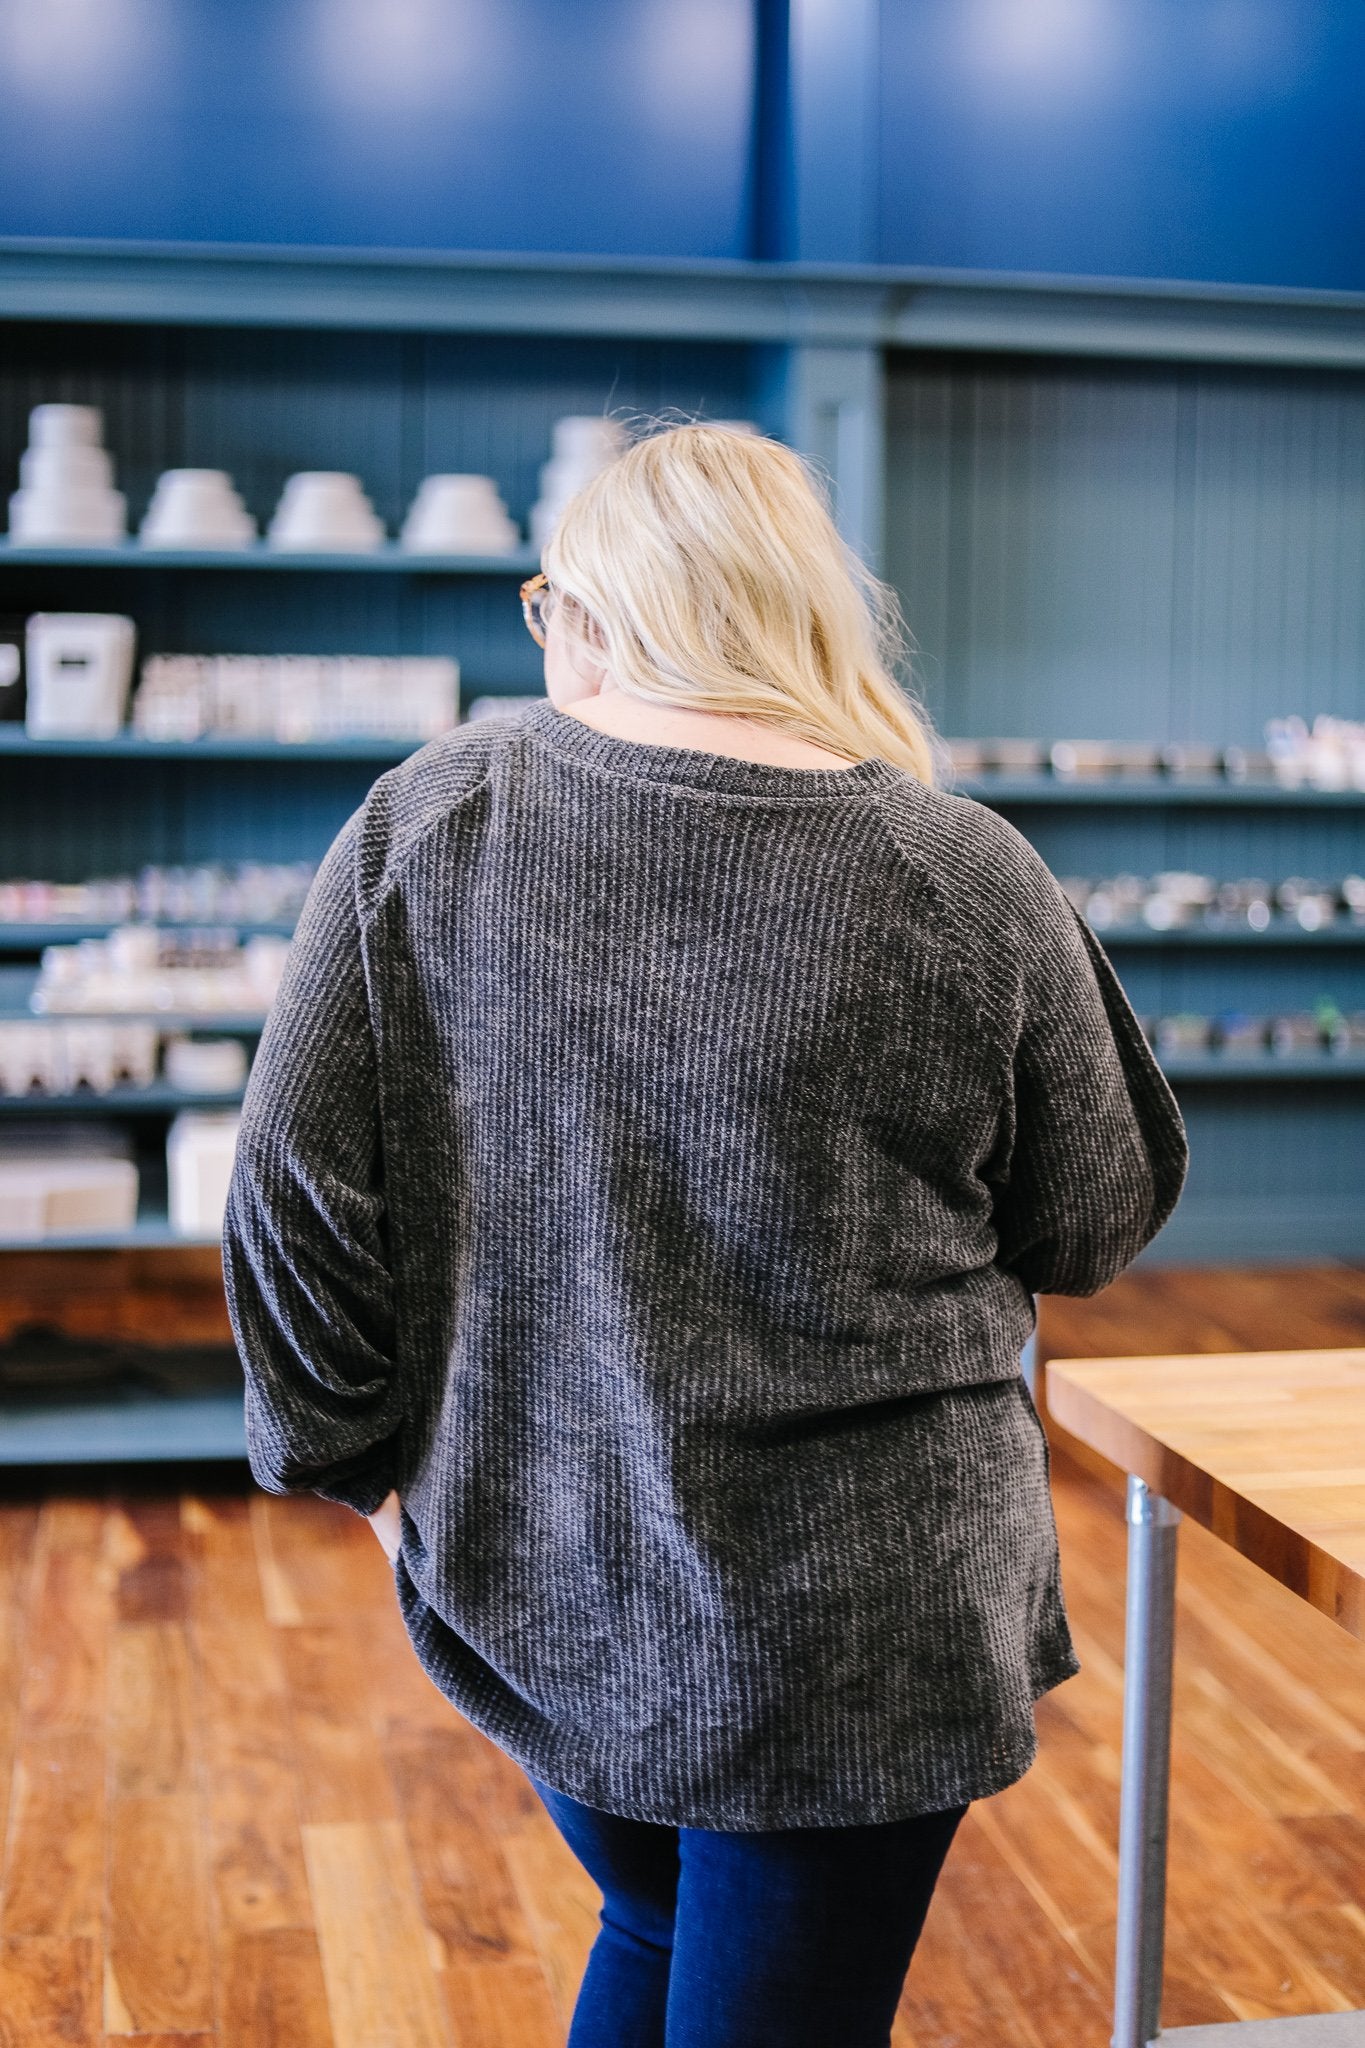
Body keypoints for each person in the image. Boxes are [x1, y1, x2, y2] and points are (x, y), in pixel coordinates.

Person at [222, 423, 1188, 2048]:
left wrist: (359, 1474)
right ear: (807, 609)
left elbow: (290, 1189)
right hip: (860, 1628)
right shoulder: (957, 872)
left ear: (588, 609)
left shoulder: (434, 816)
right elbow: (1090, 1219)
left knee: (651, 1916)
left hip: (544, 1571)